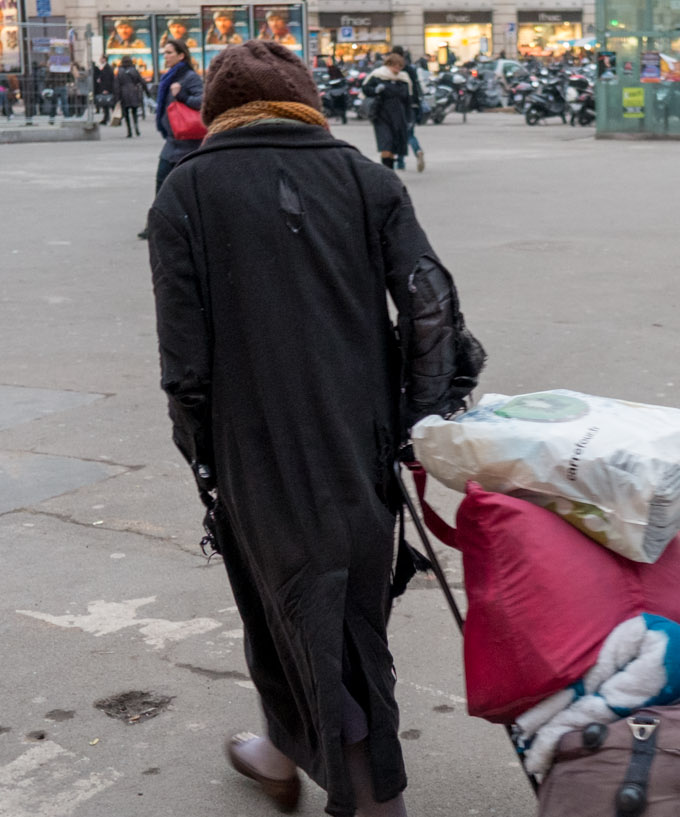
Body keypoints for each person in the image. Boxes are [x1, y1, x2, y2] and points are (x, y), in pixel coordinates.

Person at [148, 38, 480, 817]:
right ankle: (277, 746)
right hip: (357, 441)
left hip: (254, 453)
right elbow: (429, 302)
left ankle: (372, 800)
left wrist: (201, 456)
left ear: (223, 111)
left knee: (317, 618)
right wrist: (416, 419)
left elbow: (184, 363)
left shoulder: (186, 194)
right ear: (308, 103)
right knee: (326, 607)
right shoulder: (366, 180)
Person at [153, 37, 203, 194]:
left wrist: (181, 96)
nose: (165, 56)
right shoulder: (170, 77)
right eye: (164, 53)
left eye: (169, 53)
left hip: (187, 145)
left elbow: (203, 100)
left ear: (181, 56)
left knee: (172, 188)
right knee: (164, 186)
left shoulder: (190, 76)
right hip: (173, 142)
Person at [362, 52, 412, 169]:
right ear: (389, 64)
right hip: (382, 115)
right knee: (386, 143)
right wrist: (376, 90)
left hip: (399, 116)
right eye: (395, 65)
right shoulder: (378, 76)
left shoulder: (403, 79)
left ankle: (390, 169)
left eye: (400, 66)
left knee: (395, 144)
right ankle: (387, 170)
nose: (397, 68)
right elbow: (366, 89)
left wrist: (410, 118)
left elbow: (408, 100)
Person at [391, 45, 426, 172]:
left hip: (399, 106)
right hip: (412, 105)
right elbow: (416, 88)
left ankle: (400, 162)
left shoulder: (394, 70)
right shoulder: (411, 69)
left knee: (400, 134)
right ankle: (418, 150)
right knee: (409, 133)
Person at [116, 56, 144, 137]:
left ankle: (129, 131)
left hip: (124, 93)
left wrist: (117, 97)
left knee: (126, 114)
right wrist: (147, 92)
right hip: (133, 92)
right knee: (134, 112)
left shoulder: (120, 71)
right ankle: (136, 128)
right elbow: (141, 81)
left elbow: (117, 84)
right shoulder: (134, 70)